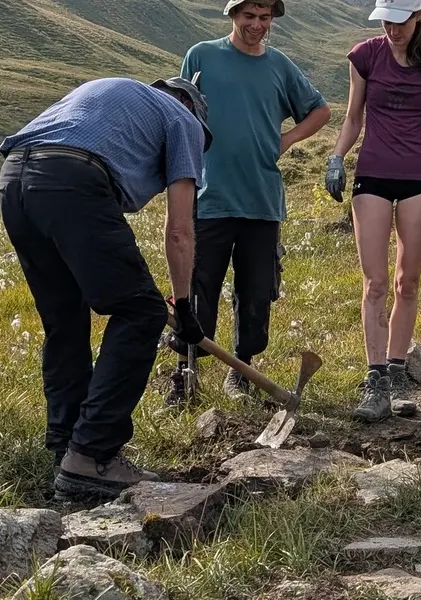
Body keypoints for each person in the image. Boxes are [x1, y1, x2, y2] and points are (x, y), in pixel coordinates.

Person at [0, 76, 211, 502]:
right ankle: (92, 453)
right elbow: (180, 230)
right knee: (143, 312)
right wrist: (183, 306)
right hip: (72, 180)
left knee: (65, 319)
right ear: (191, 108)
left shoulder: (116, 93)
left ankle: (65, 447)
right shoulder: (183, 120)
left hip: (15, 179)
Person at [165, 0, 332, 407]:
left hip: (261, 200)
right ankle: (187, 372)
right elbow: (181, 109)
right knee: (198, 287)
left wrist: (286, 140)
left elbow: (320, 110)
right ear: (232, 16)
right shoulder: (201, 55)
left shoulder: (279, 66)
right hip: (209, 195)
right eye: (249, 17)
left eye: (264, 18)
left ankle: (240, 370)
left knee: (256, 292)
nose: (257, 25)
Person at [324, 0, 421, 423]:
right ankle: (375, 379)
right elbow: (353, 118)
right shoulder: (365, 55)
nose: (392, 29)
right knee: (376, 282)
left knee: (408, 281)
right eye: (386, 21)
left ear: (418, 18)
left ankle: (398, 372)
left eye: (400, 21)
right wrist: (336, 157)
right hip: (373, 175)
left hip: (419, 179)